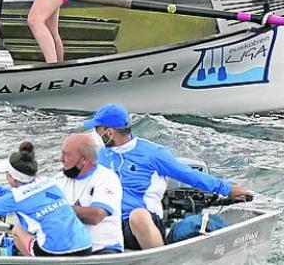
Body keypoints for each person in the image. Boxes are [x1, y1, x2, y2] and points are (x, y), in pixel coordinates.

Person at [85, 104, 253, 251]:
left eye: (97, 129)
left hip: (141, 223)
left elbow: (189, 175)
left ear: (109, 132)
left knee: (138, 216)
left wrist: (228, 189)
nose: (95, 133)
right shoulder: (99, 156)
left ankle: (160, 258)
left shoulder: (153, 153)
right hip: (108, 225)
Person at [0, 141, 92, 257]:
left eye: (7, 174)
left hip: (54, 252)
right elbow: (25, 195)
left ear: (13, 177)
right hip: (85, 246)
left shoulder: (16, 198)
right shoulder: (49, 182)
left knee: (17, 230)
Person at [58, 133, 124, 254]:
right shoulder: (58, 180)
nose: (61, 159)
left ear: (83, 159)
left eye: (66, 154)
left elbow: (96, 216)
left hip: (102, 249)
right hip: (68, 250)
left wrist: (60, 209)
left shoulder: (107, 178)